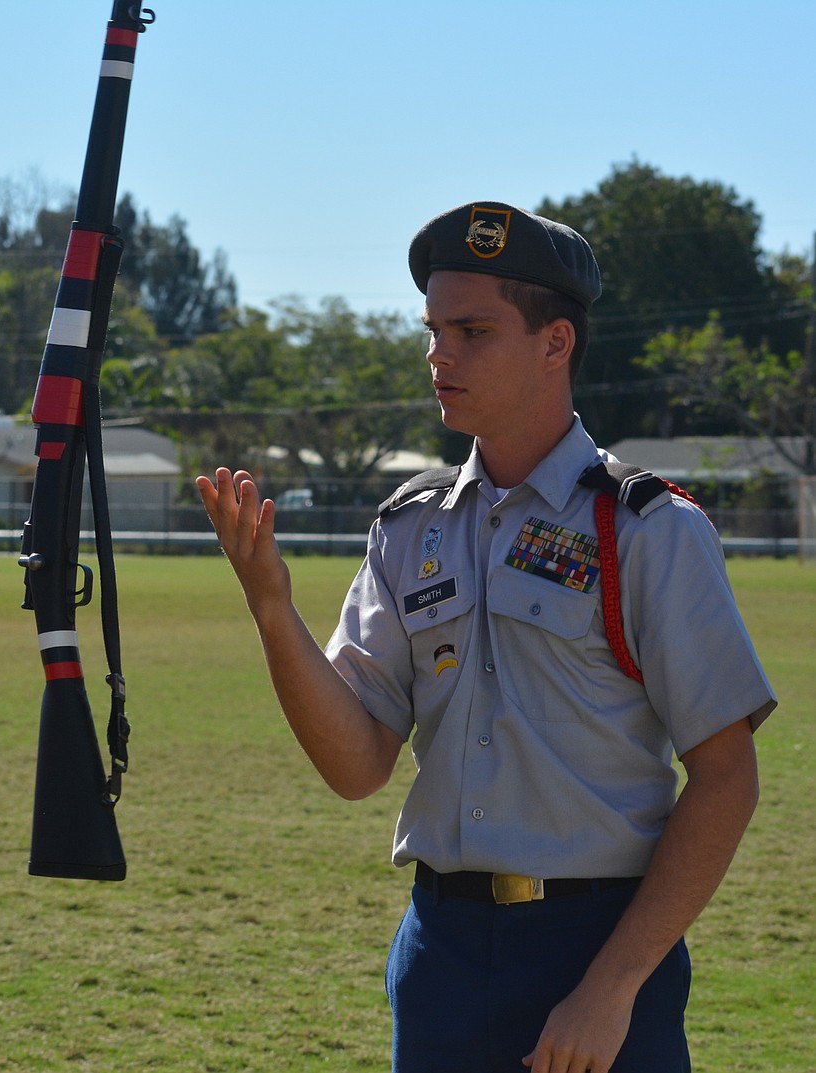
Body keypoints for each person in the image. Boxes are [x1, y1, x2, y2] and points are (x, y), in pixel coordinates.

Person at [196, 201, 776, 1073]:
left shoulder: (648, 529)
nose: (439, 353)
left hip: (599, 946)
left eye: (472, 330)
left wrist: (610, 988)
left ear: (556, 344)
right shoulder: (411, 527)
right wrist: (272, 608)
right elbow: (357, 766)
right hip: (444, 952)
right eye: (433, 329)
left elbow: (727, 776)